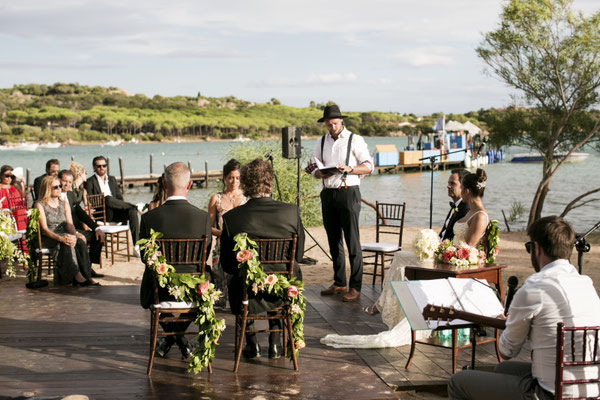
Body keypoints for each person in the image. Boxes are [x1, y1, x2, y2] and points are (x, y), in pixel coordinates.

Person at [448, 216, 600, 399]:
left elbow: (507, 351)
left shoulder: (535, 286)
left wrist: (512, 325)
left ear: (537, 248)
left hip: (550, 393)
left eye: (530, 247)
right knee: (505, 369)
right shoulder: (586, 284)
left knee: (458, 381)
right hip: (589, 389)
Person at [220, 158, 305, 359]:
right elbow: (299, 255)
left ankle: (252, 343)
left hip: (247, 289)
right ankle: (275, 343)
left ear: (245, 184)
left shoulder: (232, 218)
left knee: (236, 278)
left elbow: (227, 265)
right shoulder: (291, 212)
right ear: (270, 183)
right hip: (283, 288)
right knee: (283, 274)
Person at [139, 162, 212, 360]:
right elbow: (204, 256)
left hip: (160, 288)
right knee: (207, 279)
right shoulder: (203, 217)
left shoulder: (149, 218)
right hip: (194, 288)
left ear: (164, 184)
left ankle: (173, 340)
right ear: (189, 185)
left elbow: (145, 258)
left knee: (149, 280)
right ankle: (182, 341)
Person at [307, 104, 373, 302]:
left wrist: (350, 169)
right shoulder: (321, 141)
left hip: (348, 192)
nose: (332, 126)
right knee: (333, 240)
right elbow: (312, 165)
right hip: (328, 193)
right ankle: (339, 282)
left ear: (341, 121)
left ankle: (355, 286)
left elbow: (369, 166)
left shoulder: (355, 139)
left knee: (352, 241)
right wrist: (319, 173)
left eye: (334, 123)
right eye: (328, 124)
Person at [35, 176, 98, 286]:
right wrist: (61, 238)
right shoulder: (39, 205)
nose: (59, 188)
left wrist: (76, 234)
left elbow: (69, 224)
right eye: (55, 187)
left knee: (80, 242)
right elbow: (44, 229)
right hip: (49, 236)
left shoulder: (64, 203)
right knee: (67, 243)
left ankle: (87, 275)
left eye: (60, 186)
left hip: (63, 233)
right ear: (47, 188)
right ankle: (77, 277)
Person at [207, 159, 247, 308]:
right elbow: (208, 227)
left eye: (237, 178)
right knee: (220, 291)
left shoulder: (247, 198)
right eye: (231, 178)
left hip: (242, 248)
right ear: (224, 178)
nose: (234, 181)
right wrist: (222, 234)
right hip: (222, 246)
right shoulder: (216, 198)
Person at [84, 156, 140, 247]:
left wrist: (118, 205)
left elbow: (119, 198)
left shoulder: (112, 179)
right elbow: (90, 202)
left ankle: (137, 245)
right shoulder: (90, 182)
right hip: (102, 214)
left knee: (132, 211)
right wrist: (105, 201)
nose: (102, 168)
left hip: (116, 212)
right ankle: (136, 206)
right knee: (107, 198)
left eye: (104, 165)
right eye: (99, 166)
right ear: (94, 168)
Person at [59, 169, 105, 277]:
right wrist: (75, 233)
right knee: (80, 241)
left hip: (75, 229)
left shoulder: (70, 194)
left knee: (99, 236)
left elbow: (81, 213)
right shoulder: (55, 196)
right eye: (64, 181)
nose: (67, 184)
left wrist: (96, 228)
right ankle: (84, 271)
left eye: (70, 182)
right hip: (63, 231)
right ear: (58, 180)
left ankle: (88, 267)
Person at [453, 168, 488, 247]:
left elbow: (468, 247)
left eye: (461, 188)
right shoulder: (471, 211)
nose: (460, 191)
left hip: (462, 254)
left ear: (467, 191)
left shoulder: (480, 216)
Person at [440, 168, 470, 241]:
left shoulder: (466, 208)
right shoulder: (455, 206)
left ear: (464, 186)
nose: (448, 186)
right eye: (448, 183)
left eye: (452, 183)